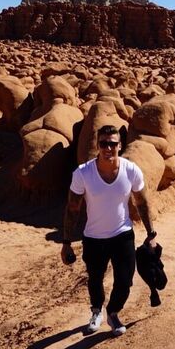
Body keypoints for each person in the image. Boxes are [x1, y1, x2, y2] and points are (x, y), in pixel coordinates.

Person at [61, 125, 157, 336]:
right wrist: (66, 242)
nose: (108, 148)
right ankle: (96, 311)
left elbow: (142, 203)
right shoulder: (83, 173)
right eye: (103, 143)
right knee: (95, 278)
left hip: (122, 235)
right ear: (97, 145)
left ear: (120, 145)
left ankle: (113, 312)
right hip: (93, 237)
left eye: (112, 143)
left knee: (125, 279)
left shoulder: (131, 170)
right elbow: (73, 208)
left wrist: (151, 234)